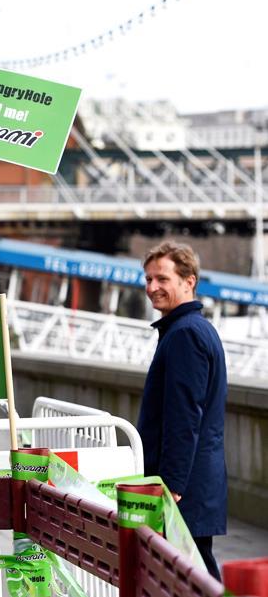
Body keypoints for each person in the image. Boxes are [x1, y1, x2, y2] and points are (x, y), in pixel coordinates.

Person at [137, 241, 227, 581]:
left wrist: (171, 486)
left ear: (189, 281)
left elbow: (184, 417)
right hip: (193, 484)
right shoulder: (189, 329)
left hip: (182, 489)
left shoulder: (185, 334)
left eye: (162, 278)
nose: (152, 287)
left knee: (191, 579)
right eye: (148, 279)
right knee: (192, 577)